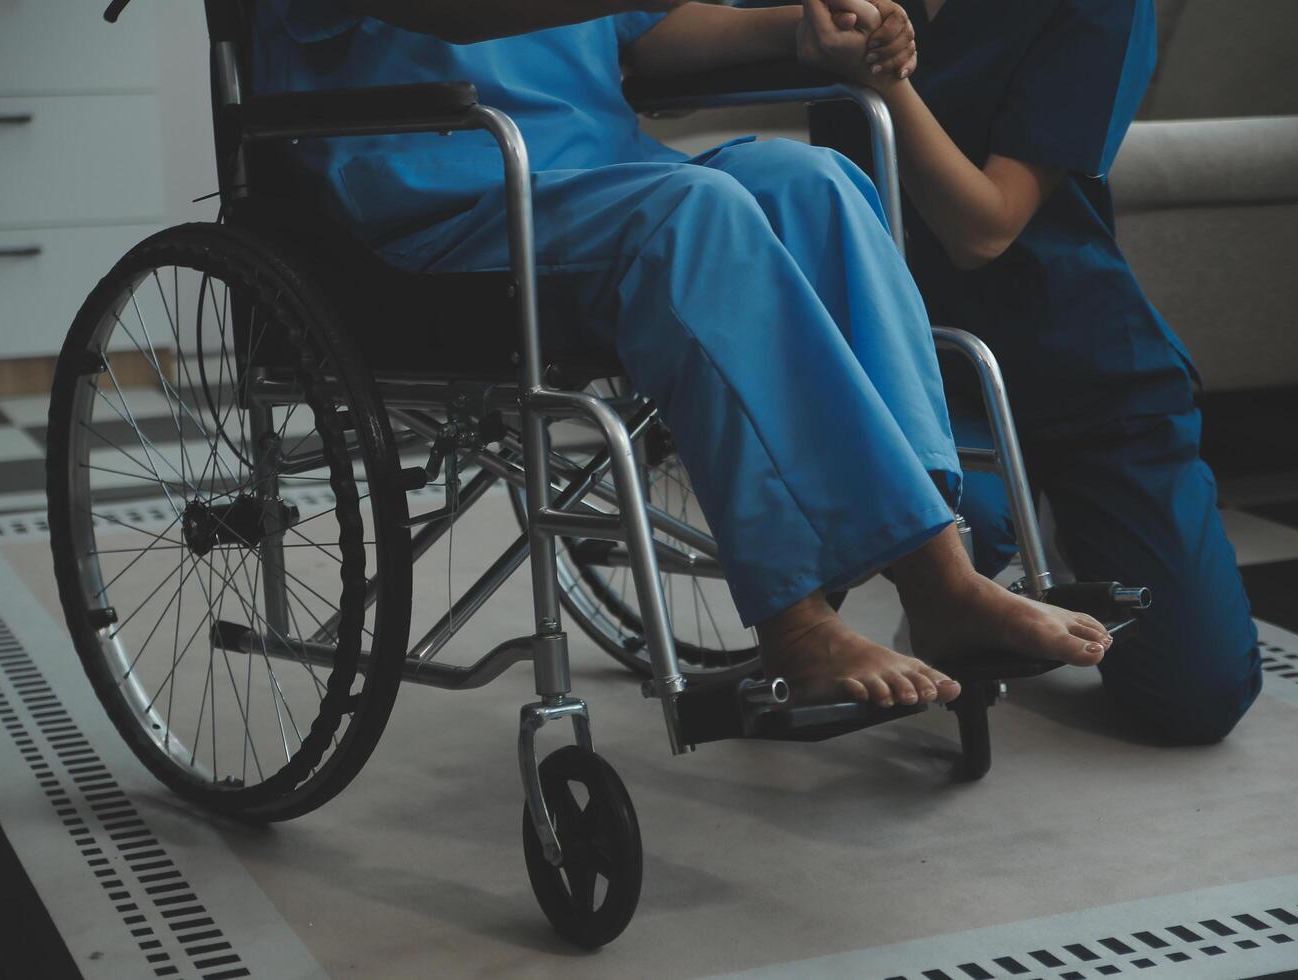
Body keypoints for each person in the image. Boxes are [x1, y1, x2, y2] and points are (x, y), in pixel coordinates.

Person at [252, 0, 1116, 710]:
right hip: (438, 203)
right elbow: (463, 17)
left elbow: (647, 29)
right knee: (696, 212)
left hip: (598, 179)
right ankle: (797, 618)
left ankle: (940, 572)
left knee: (813, 184)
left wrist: (798, 29)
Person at [800, 0, 1261, 741]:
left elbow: (982, 230)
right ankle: (1002, 530)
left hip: (1087, 370)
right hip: (924, 378)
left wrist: (886, 83)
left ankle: (1069, 520)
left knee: (1196, 700)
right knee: (962, 551)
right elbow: (665, 42)